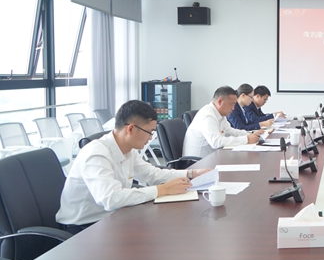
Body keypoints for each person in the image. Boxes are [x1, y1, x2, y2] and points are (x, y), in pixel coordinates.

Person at [56, 100, 210, 234]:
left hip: (113, 216)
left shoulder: (128, 150)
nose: (150, 138)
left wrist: (191, 173)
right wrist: (162, 190)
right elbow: (110, 198)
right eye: (149, 132)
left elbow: (151, 175)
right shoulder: (96, 154)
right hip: (83, 228)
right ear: (130, 129)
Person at [183, 86, 261, 158]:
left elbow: (230, 131)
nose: (233, 108)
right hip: (198, 163)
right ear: (220, 101)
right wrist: (246, 139)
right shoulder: (208, 115)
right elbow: (216, 142)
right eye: (232, 104)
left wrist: (250, 134)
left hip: (213, 157)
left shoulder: (219, 114)